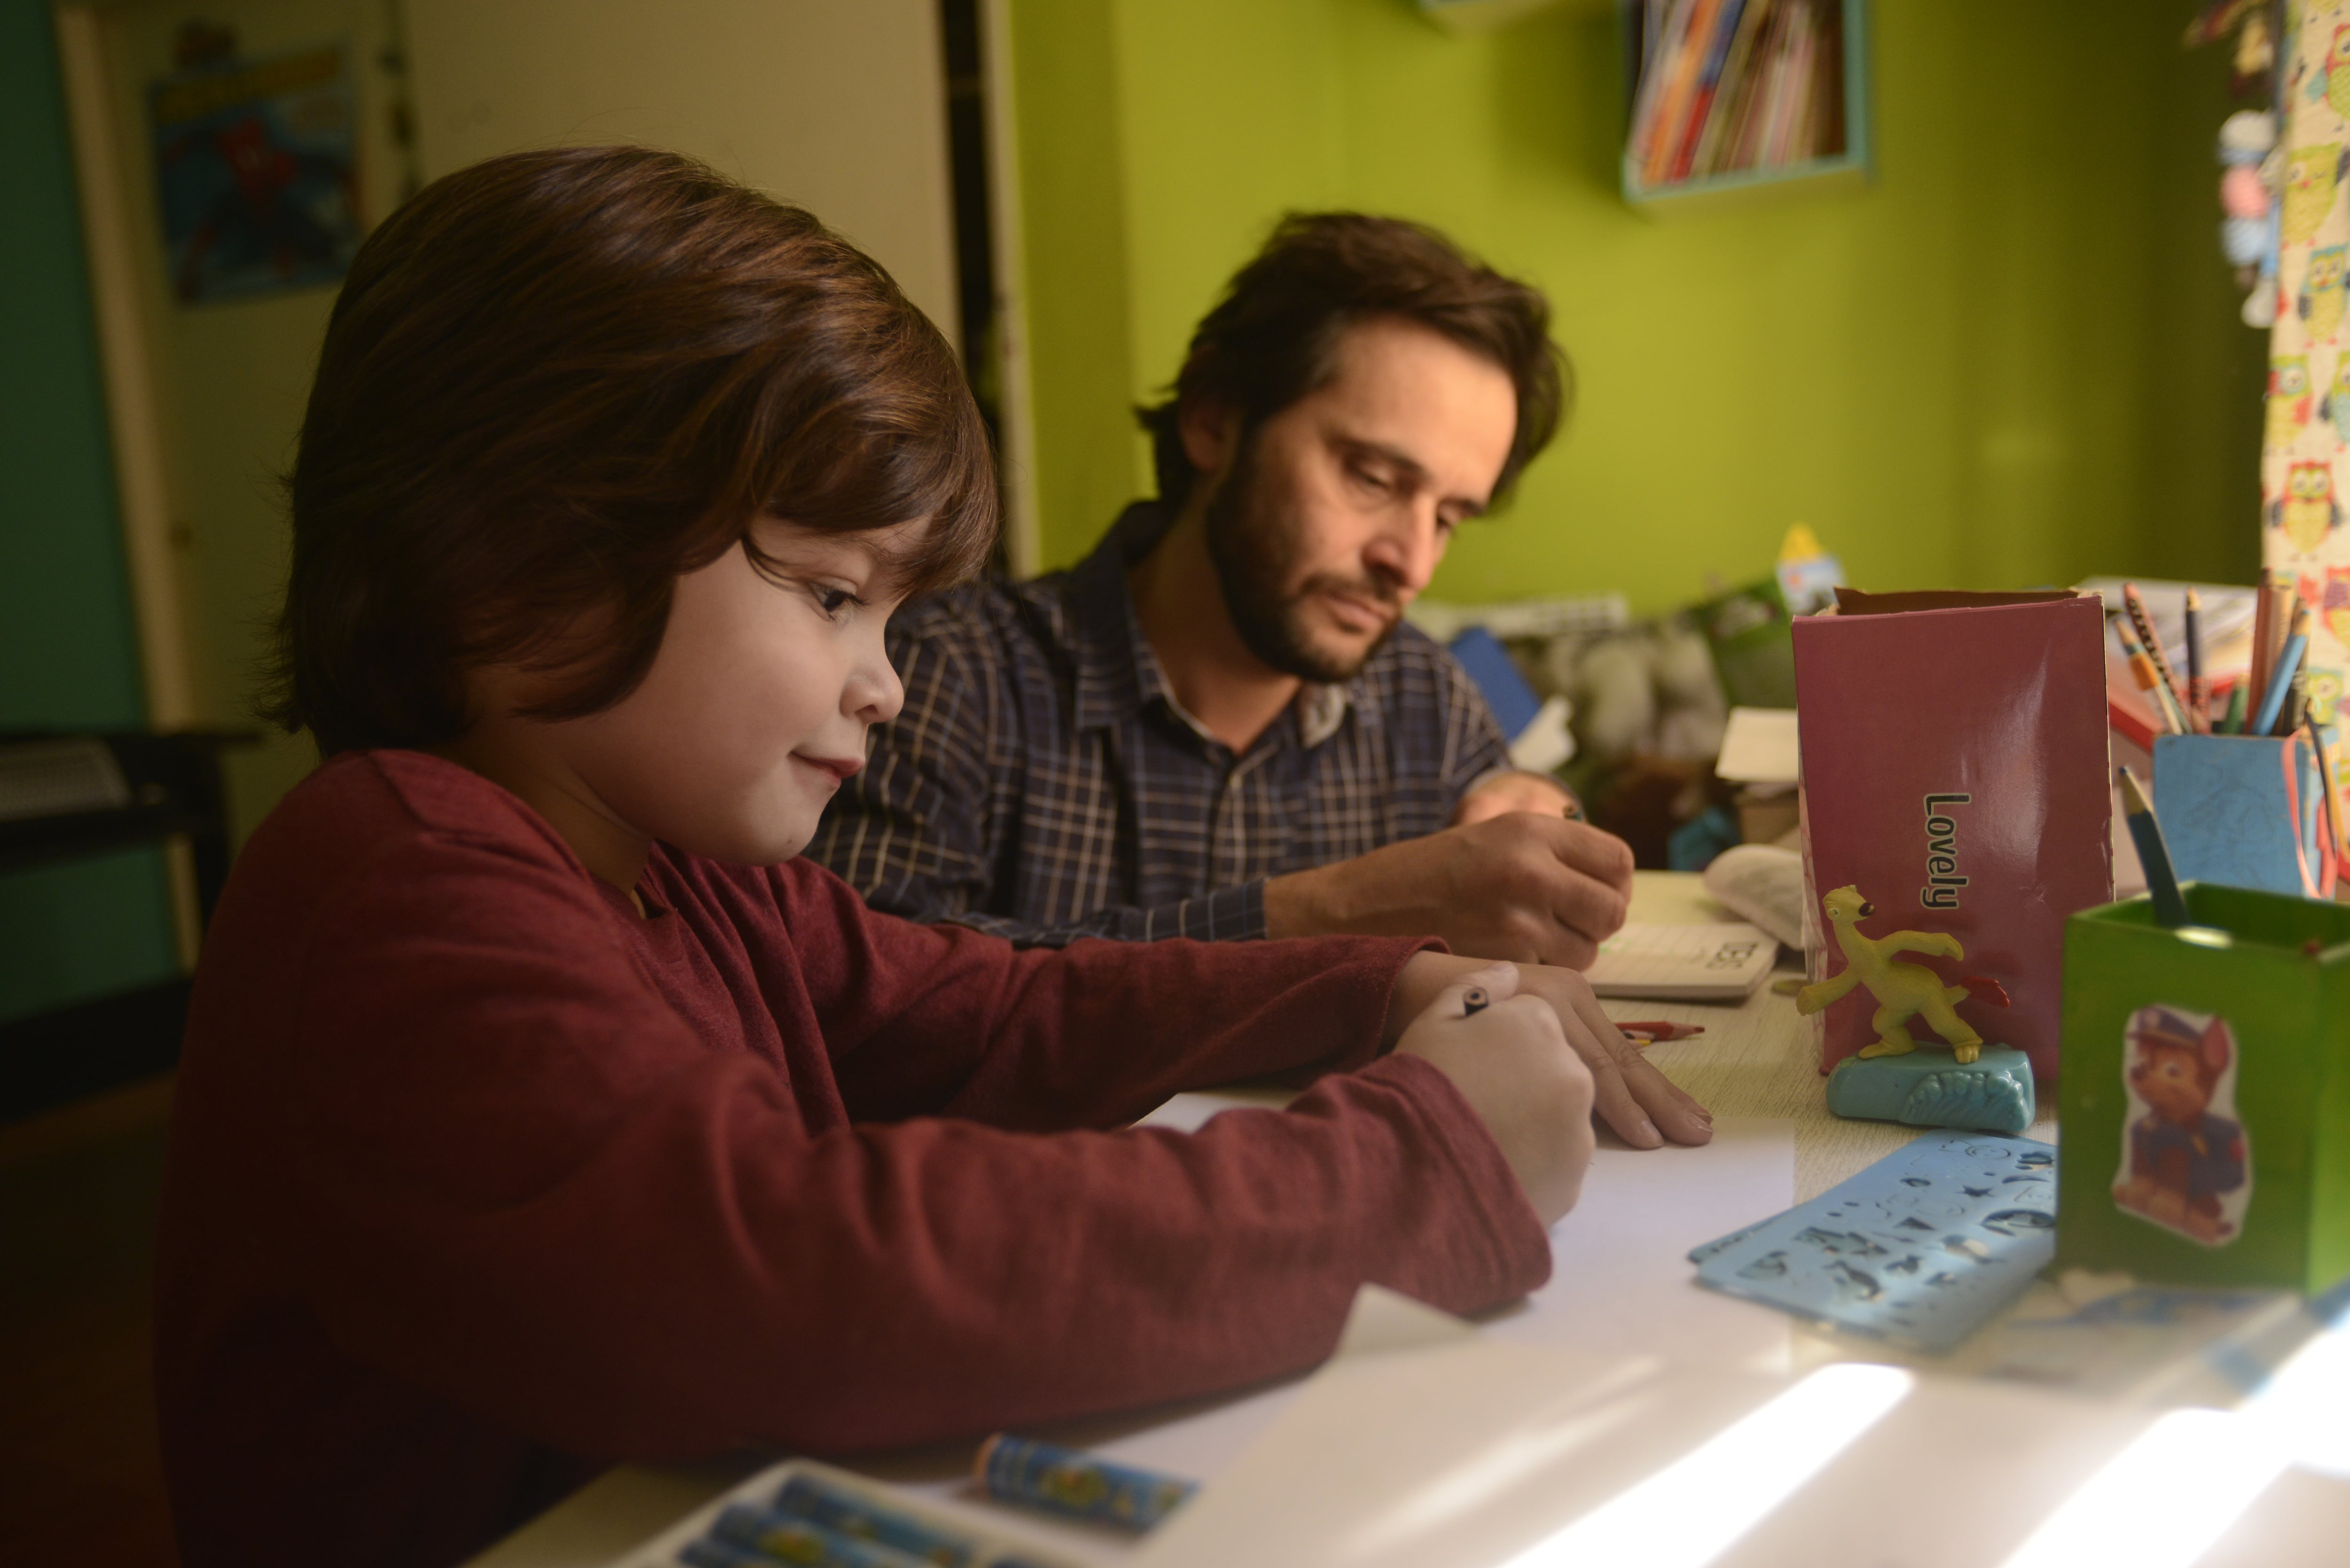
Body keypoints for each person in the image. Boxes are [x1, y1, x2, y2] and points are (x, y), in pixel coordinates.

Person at [155, 148, 1709, 1568]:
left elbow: (1000, 1006)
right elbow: (789, 1280)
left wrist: (1383, 983)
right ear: (517, 555)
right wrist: (1420, 1157)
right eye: (833, 593)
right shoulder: (391, 879)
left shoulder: (691, 866)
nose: (885, 681)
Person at [811, 214, 1639, 982]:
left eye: (1451, 517)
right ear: (1213, 420)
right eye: (1373, 477)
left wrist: (1544, 816)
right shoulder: (943, 675)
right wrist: (1314, 918)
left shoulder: (1427, 700)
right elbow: (862, 988)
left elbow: (1532, 816)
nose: (1412, 563)